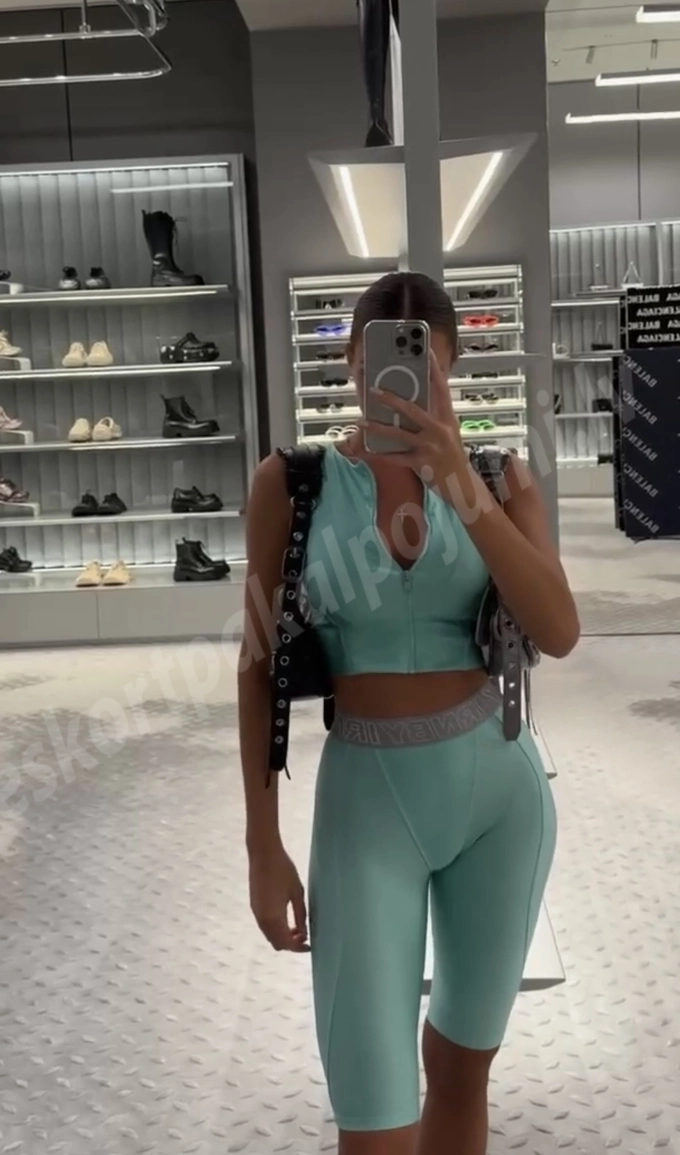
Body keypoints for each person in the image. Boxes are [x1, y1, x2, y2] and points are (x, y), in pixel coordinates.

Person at [238, 272, 579, 1155]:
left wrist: (461, 483)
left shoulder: (500, 477)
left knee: (461, 1073)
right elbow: (256, 663)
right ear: (351, 364)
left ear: (452, 369)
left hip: (500, 800)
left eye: (427, 367)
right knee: (373, 1118)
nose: (397, 383)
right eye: (379, 364)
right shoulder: (294, 483)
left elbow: (559, 628)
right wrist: (262, 844)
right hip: (366, 810)